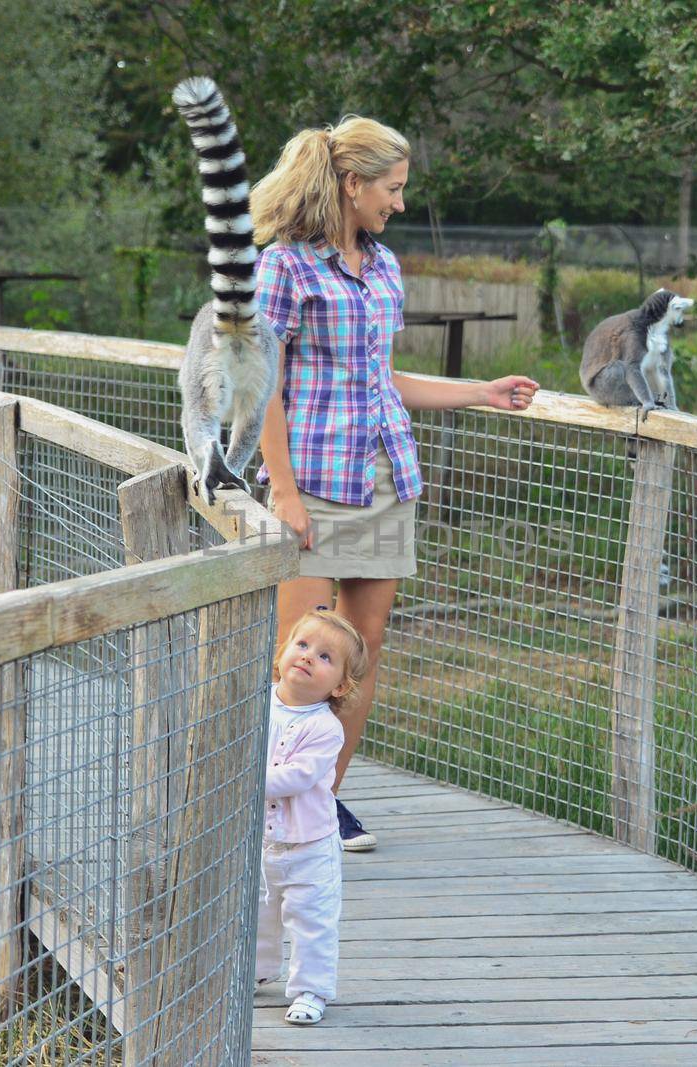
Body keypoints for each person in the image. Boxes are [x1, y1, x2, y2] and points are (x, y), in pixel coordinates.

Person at [250, 116, 538, 852]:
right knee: (299, 653)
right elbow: (262, 385)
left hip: (384, 477)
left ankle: (320, 803)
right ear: (352, 184)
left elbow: (380, 381)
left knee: (357, 653)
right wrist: (282, 490)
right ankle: (264, 803)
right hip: (310, 481)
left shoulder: (383, 267)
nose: (398, 204)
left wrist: (480, 391)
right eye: (392, 189)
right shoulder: (286, 266)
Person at [256, 607, 369, 1026]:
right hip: (262, 841)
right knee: (261, 909)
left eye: (325, 657)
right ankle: (258, 967)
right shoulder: (258, 701)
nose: (307, 656)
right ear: (283, 652)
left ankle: (311, 989)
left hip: (310, 847)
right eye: (301, 645)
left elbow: (297, 777)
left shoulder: (325, 729)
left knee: (310, 919)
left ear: (340, 685)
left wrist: (241, 776)